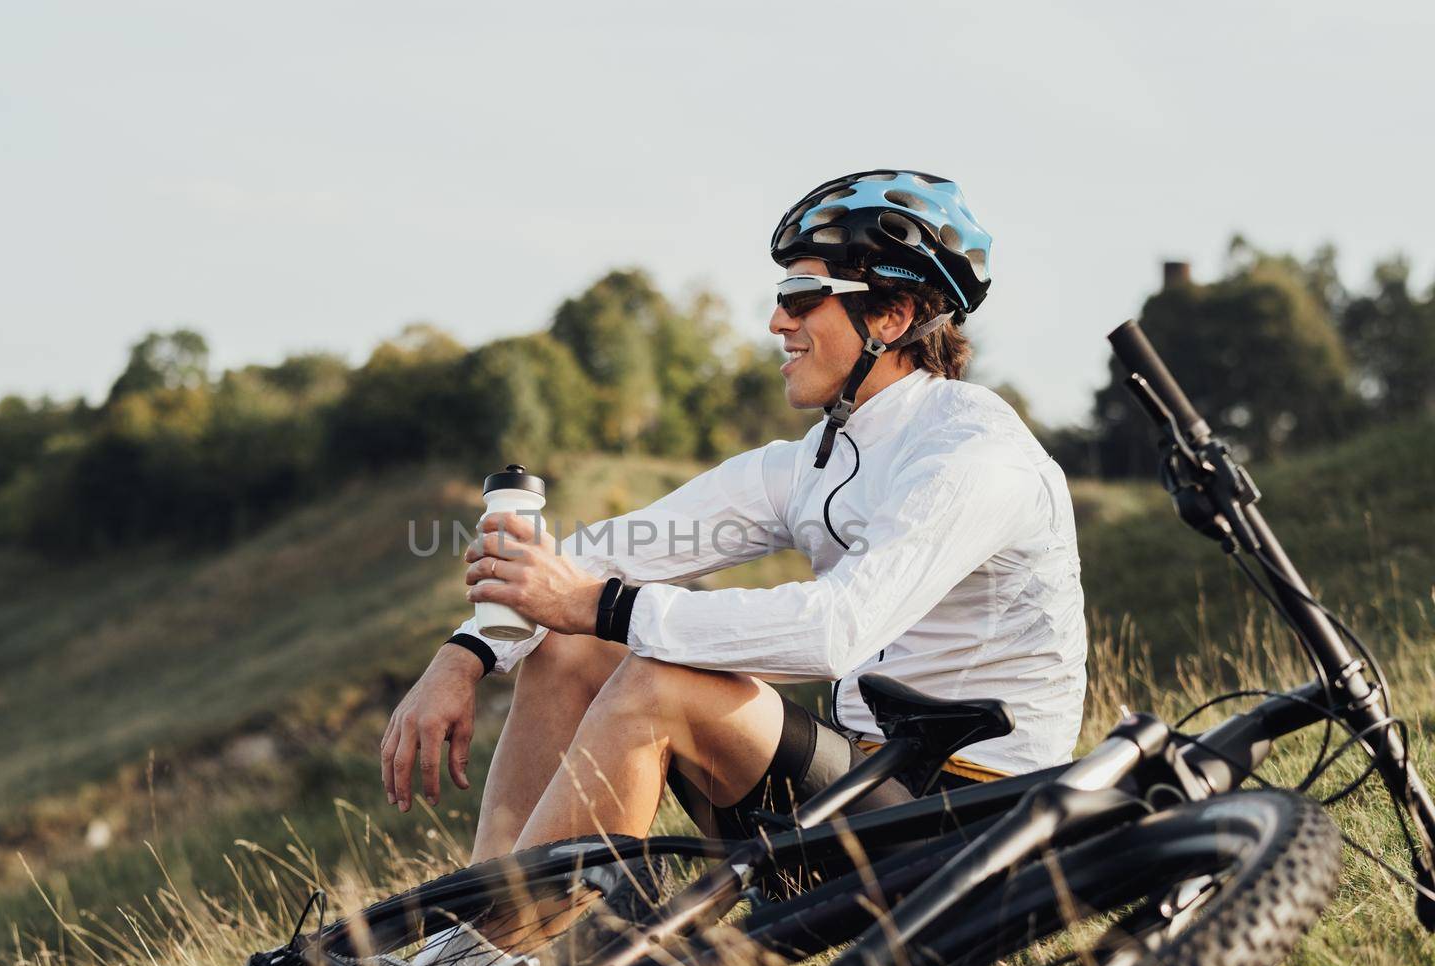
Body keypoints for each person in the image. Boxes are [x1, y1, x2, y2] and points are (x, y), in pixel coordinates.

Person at [379, 169, 1086, 866]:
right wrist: (466, 653)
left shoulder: (975, 454)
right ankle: (469, 943)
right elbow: (605, 554)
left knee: (654, 681)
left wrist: (599, 604)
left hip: (974, 819)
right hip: (863, 782)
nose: (778, 320)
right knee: (568, 644)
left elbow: (835, 629)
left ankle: (512, 952)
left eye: (803, 296)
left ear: (892, 317)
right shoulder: (816, 458)